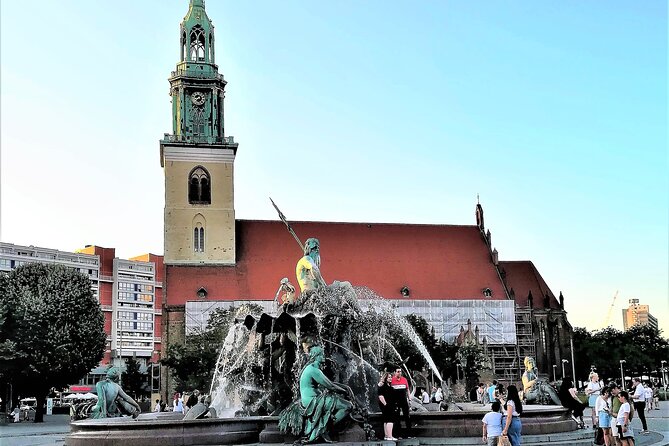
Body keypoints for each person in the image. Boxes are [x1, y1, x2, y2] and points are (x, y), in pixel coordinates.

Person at [391, 367, 413, 438]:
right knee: (397, 418)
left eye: (400, 371)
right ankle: (398, 434)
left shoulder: (404, 380)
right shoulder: (392, 380)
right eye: (398, 371)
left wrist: (409, 399)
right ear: (394, 373)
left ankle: (409, 434)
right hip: (395, 402)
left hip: (404, 401)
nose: (399, 373)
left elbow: (407, 390)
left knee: (407, 416)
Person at [378, 372, 398, 441]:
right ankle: (390, 436)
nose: (390, 378)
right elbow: (380, 396)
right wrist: (386, 404)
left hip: (388, 405)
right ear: (385, 378)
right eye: (389, 377)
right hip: (387, 405)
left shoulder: (388, 386)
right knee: (390, 420)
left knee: (386, 420)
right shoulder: (383, 386)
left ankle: (386, 436)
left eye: (391, 377)